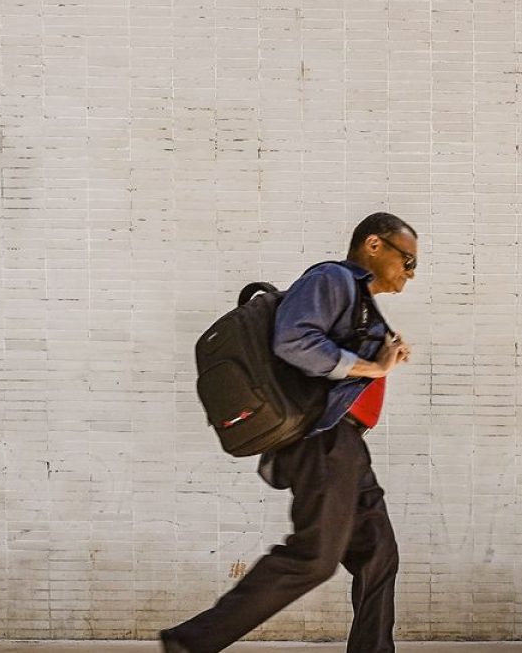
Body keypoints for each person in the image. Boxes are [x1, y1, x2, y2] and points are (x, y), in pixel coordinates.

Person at [163, 212, 420, 653]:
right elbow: (293, 341)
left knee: (379, 555)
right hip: (321, 442)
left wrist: (382, 353)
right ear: (374, 246)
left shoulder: (356, 299)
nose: (410, 273)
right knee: (313, 558)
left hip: (346, 446)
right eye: (408, 260)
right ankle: (192, 642)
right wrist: (374, 366)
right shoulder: (332, 279)